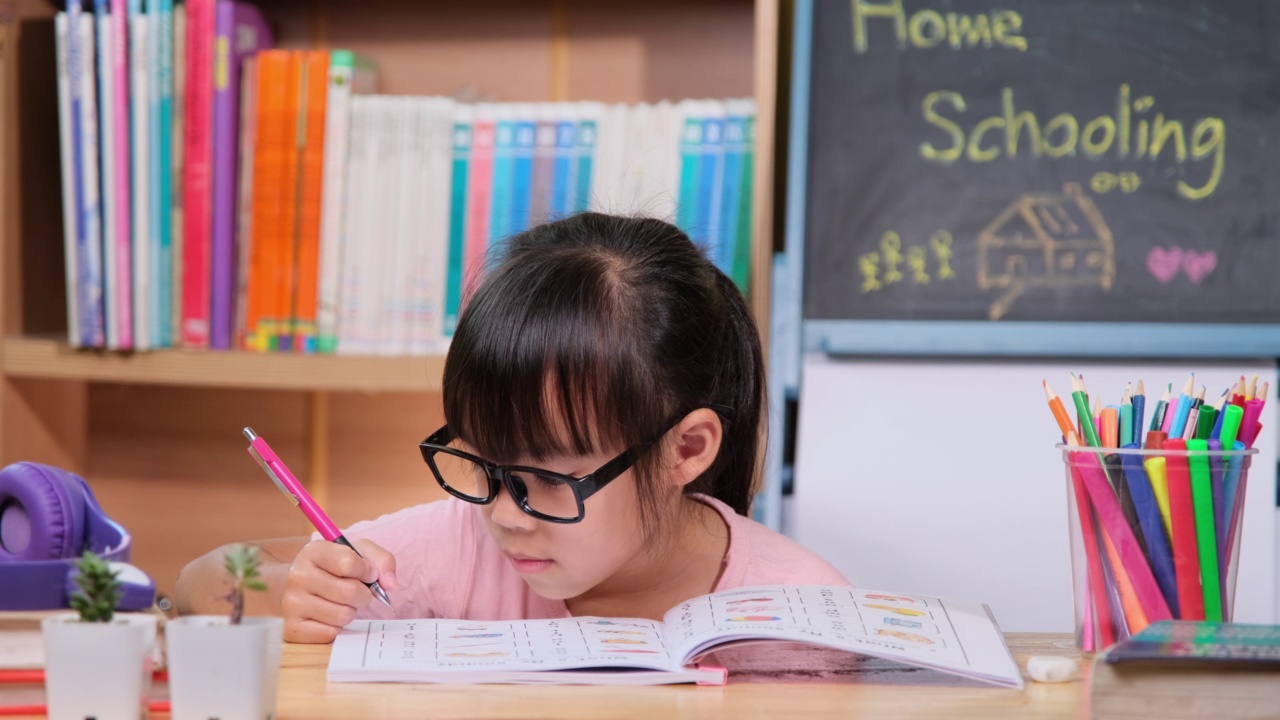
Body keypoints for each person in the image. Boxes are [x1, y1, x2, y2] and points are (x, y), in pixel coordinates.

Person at [175, 213, 849, 643]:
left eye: (549, 478)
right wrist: (297, 593)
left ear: (687, 449)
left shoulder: (802, 612)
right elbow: (199, 585)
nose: (505, 514)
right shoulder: (459, 549)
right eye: (488, 469)